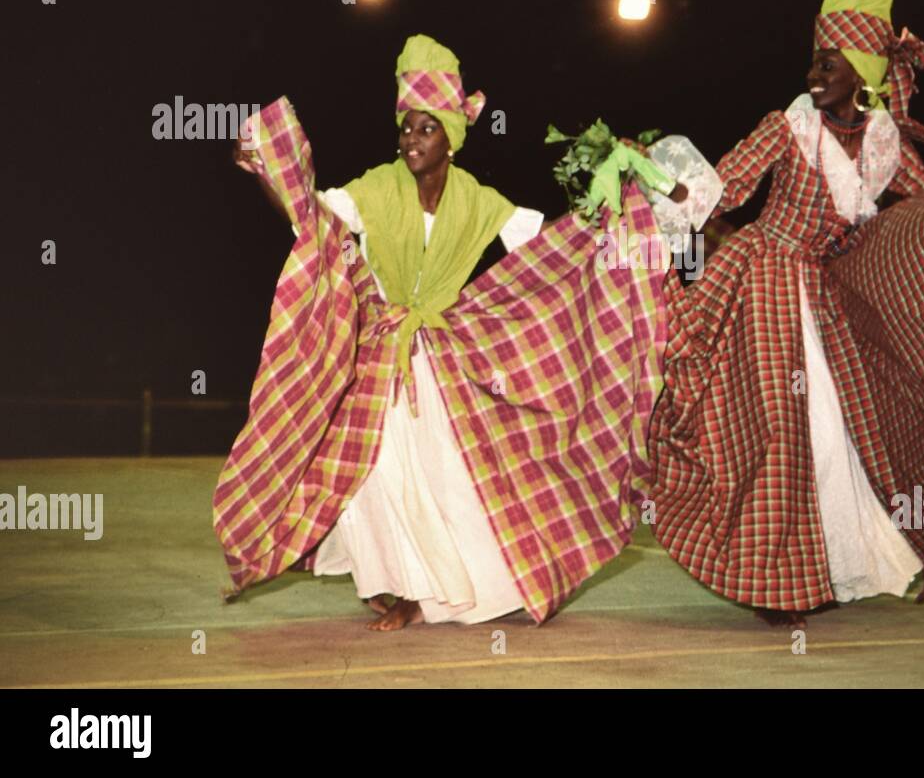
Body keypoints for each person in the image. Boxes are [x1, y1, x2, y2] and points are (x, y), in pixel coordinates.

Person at [215, 35, 675, 629]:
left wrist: (614, 199)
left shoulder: (478, 200)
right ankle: (397, 588)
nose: (411, 140)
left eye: (426, 129)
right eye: (406, 128)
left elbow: (551, 244)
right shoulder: (377, 188)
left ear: (451, 138)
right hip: (380, 357)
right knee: (376, 474)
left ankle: (468, 583)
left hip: (443, 359)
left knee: (445, 473)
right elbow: (314, 220)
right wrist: (264, 170)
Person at [649, 0, 924, 628]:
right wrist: (653, 183)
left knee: (830, 437)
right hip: (762, 284)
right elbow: (721, 190)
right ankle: (771, 576)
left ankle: (824, 565)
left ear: (862, 69)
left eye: (828, 62)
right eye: (813, 58)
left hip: (822, 295)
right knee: (776, 430)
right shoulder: (788, 127)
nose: (813, 73)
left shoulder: (885, 141)